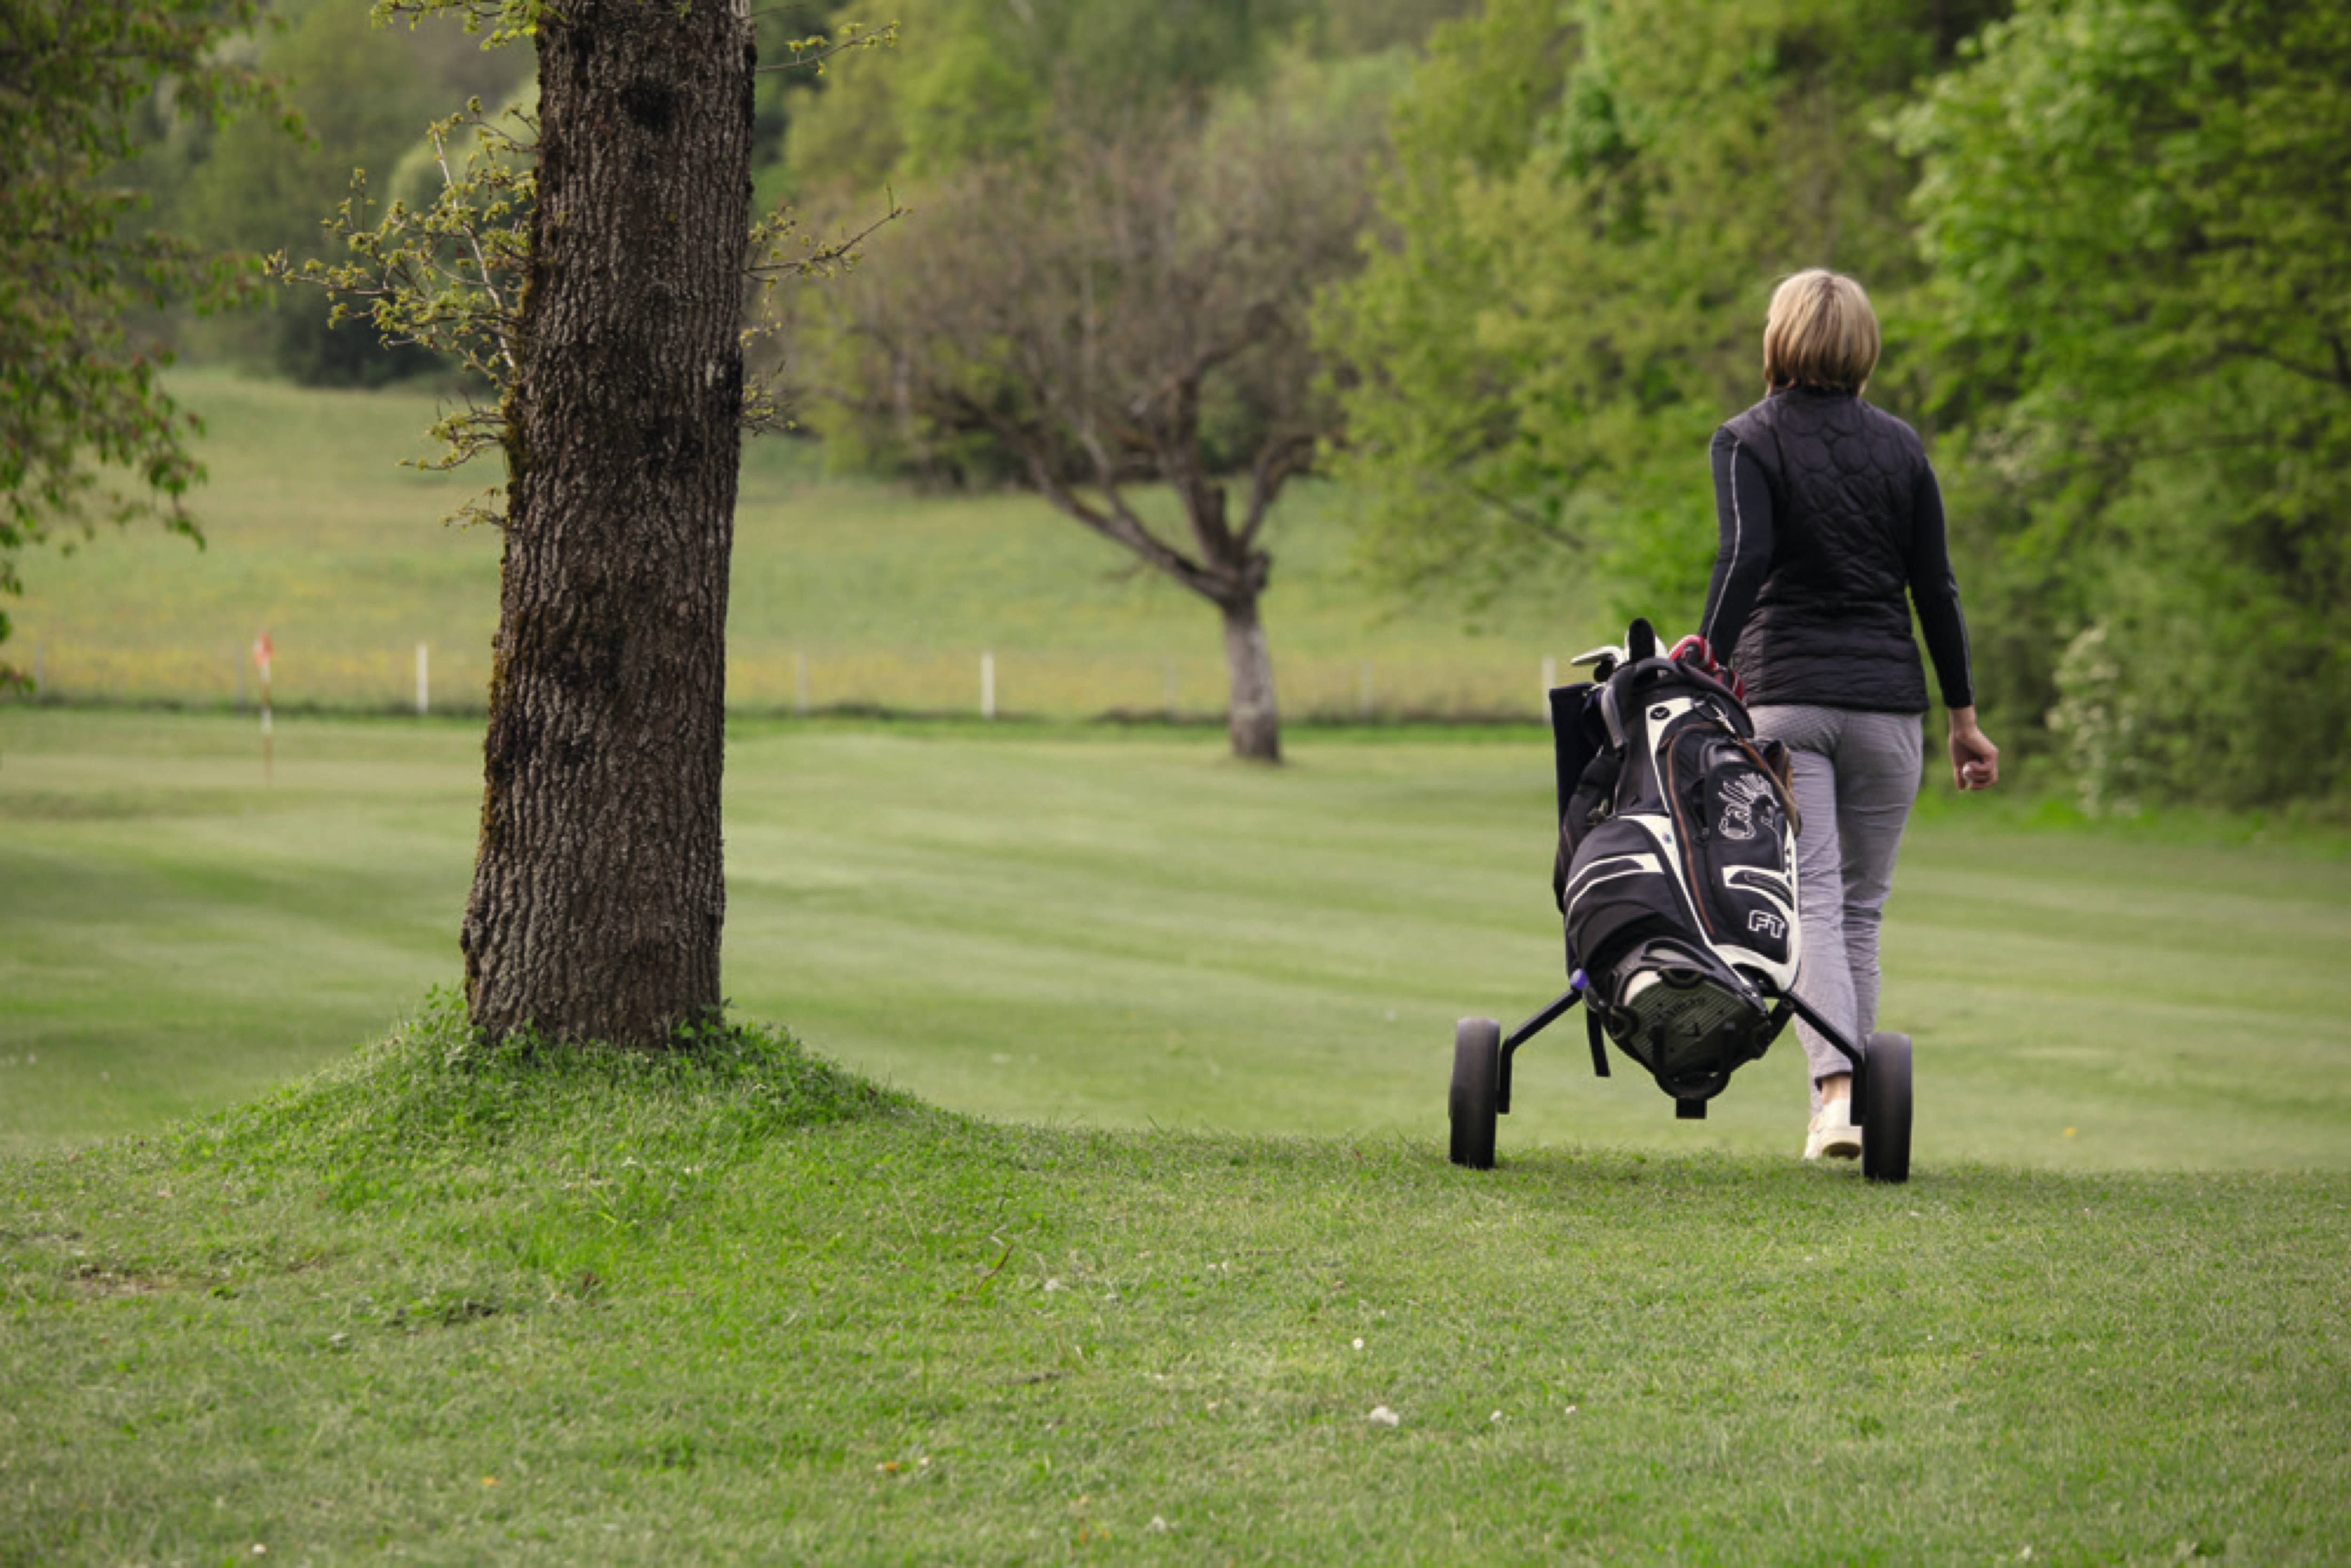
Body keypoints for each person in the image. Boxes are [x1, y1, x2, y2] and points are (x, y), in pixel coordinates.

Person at [1695, 269, 1998, 1162]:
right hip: (1888, 710)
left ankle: (1836, 1093)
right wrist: (1964, 717)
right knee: (1858, 911)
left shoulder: (1747, 439)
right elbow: (1936, 588)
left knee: (1814, 902)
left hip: (1786, 699)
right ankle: (1849, 1108)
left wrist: (1704, 661)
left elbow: (1744, 558)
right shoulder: (1903, 447)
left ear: (1777, 339)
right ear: (1865, 347)